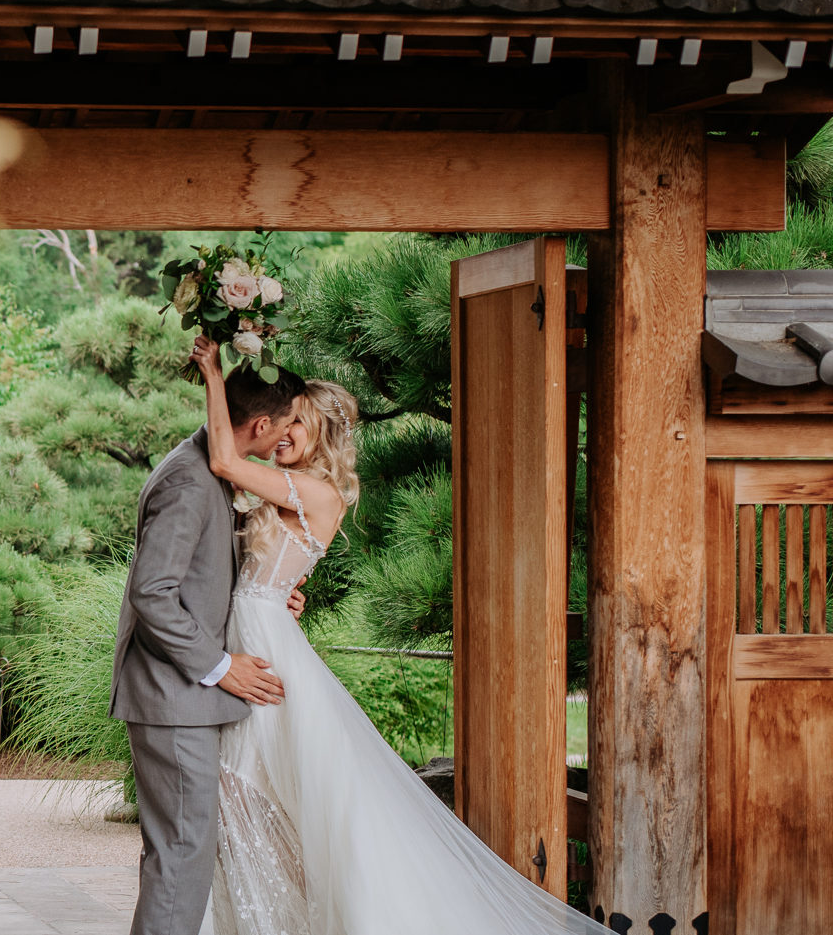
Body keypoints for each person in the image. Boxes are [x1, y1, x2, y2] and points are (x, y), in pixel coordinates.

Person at [190, 336, 605, 935]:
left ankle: (283, 919)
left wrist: (212, 371)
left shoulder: (318, 492)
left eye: (296, 425)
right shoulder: (290, 488)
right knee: (248, 791)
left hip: (267, 649)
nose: (282, 433)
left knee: (250, 789)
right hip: (261, 631)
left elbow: (226, 462)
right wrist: (280, 593)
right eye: (282, 423)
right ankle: (271, 916)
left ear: (321, 435)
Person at [109, 362, 308, 935]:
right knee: (183, 855)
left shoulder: (211, 468)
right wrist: (220, 666)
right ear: (262, 423)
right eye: (287, 424)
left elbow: (205, 576)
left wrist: (269, 602)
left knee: (183, 852)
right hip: (174, 697)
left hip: (183, 700)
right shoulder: (189, 480)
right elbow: (153, 592)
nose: (288, 436)